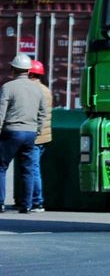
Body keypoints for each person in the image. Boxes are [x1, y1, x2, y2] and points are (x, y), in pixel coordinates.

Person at [0, 53, 50, 214]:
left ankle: (0, 203)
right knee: (28, 170)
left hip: (12, 132)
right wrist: (38, 130)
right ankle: (27, 205)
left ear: (13, 69)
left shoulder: (8, 87)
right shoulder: (38, 89)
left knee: (1, 167)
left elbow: (1, 112)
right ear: (28, 70)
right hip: (30, 133)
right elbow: (43, 112)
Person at [26, 60, 51, 212]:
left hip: (34, 135)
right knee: (33, 168)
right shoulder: (45, 89)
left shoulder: (32, 90)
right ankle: (32, 200)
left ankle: (37, 201)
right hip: (44, 136)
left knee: (33, 169)